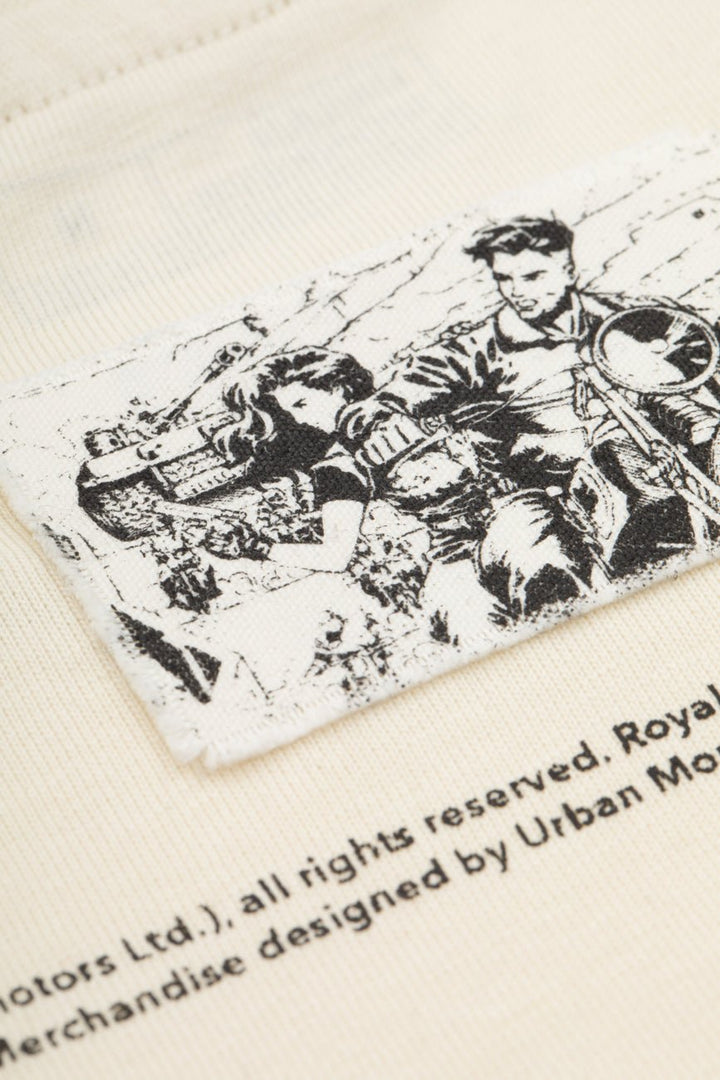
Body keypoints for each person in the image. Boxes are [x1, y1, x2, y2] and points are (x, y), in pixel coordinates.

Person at [343, 217, 720, 613]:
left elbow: (699, 347)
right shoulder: (477, 350)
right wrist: (377, 419)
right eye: (505, 279)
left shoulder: (628, 317)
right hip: (556, 493)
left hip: (672, 452)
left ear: (568, 270)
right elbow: (393, 397)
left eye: (533, 276)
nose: (519, 291)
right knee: (540, 558)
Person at [222, 347, 374, 573]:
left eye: (301, 404)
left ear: (337, 388)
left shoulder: (340, 465)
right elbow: (336, 556)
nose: (300, 419)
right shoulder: (338, 463)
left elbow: (334, 558)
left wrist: (255, 546)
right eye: (289, 412)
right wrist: (257, 545)